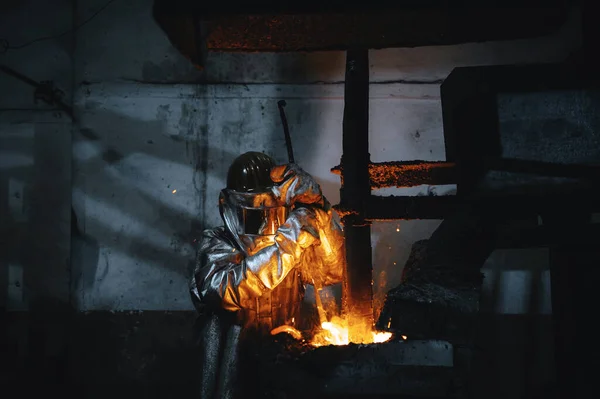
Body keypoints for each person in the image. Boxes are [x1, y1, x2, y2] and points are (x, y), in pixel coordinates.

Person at [190, 151, 345, 398]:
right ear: (228, 204)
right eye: (254, 211)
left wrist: (319, 211)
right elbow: (222, 291)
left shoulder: (291, 241)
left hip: (281, 366)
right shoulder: (218, 242)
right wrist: (290, 242)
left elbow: (332, 271)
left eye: (268, 210)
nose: (262, 221)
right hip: (233, 374)